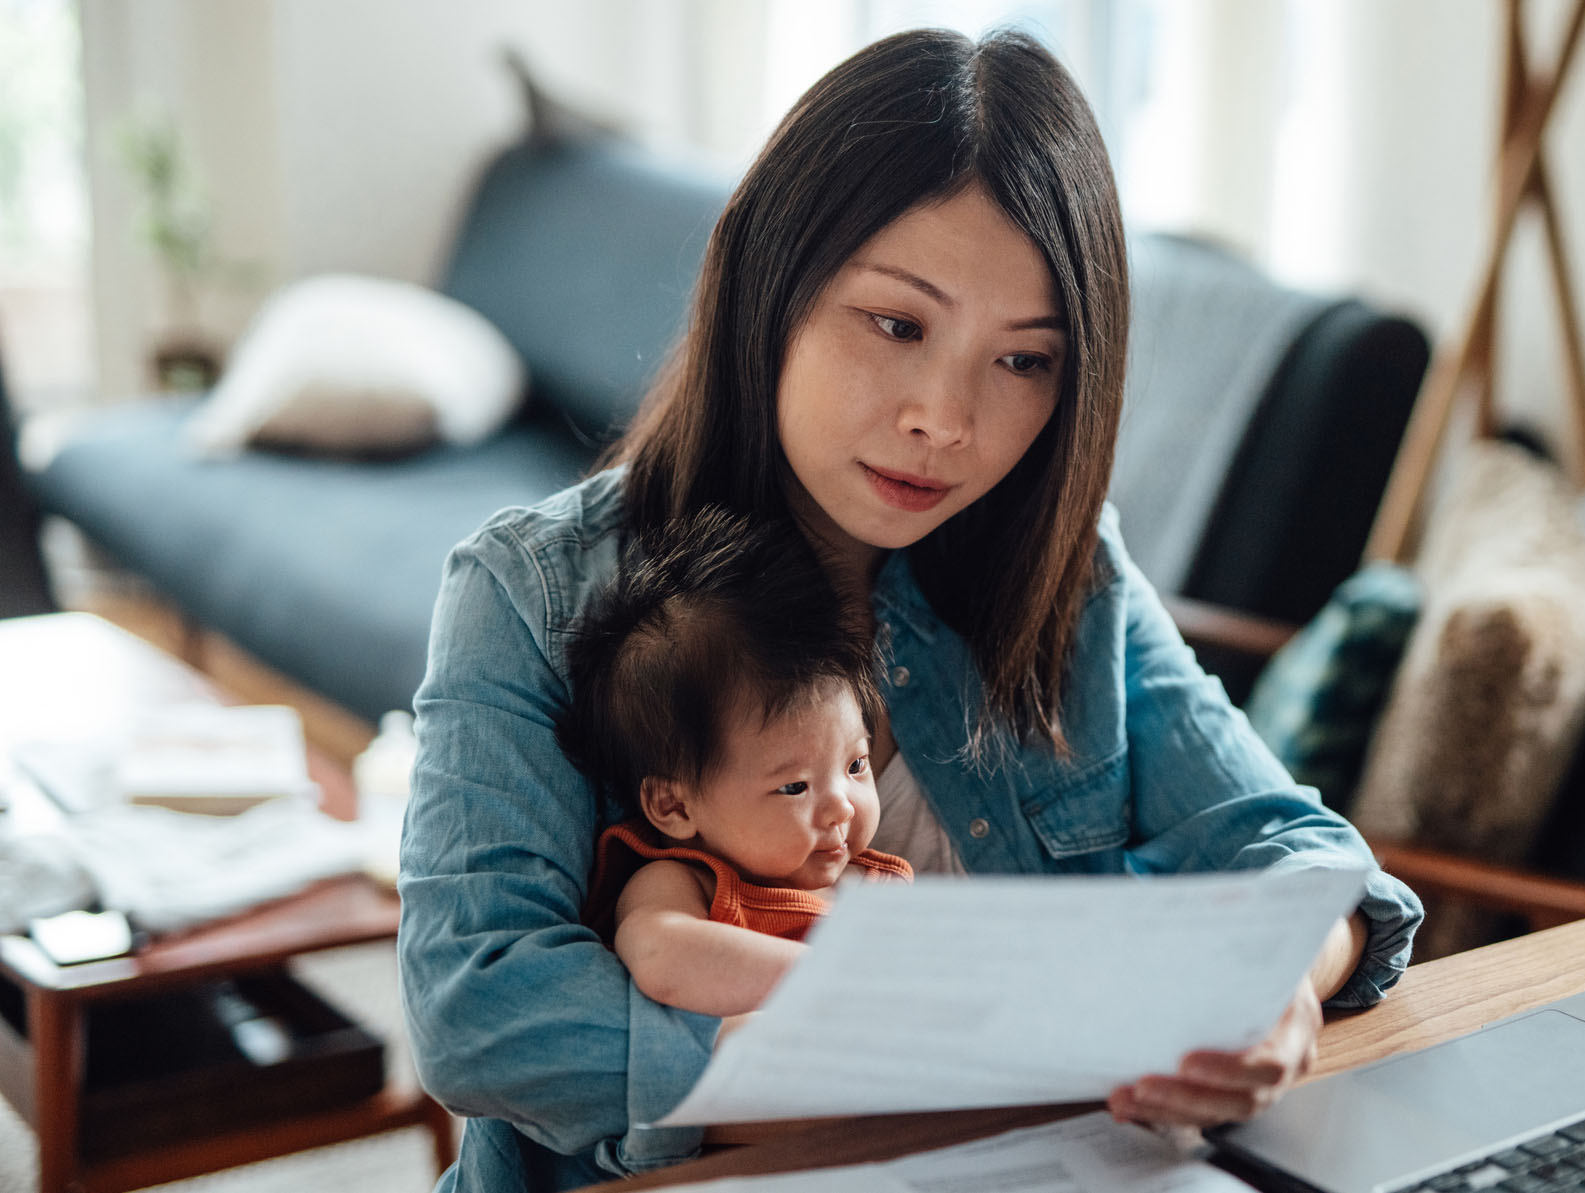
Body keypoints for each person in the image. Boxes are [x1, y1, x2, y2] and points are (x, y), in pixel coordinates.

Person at [399, 26, 1423, 1193]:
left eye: (1024, 361)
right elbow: (475, 1003)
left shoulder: (1065, 572)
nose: (948, 418)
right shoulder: (528, 592)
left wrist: (1283, 983)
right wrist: (870, 1062)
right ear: (770, 285)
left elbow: (1302, 857)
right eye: (897, 325)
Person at [556, 506, 915, 1021]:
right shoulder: (684, 882)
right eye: (794, 787)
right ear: (674, 805)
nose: (842, 807)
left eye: (856, 765)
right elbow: (663, 959)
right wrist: (844, 979)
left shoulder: (870, 886)